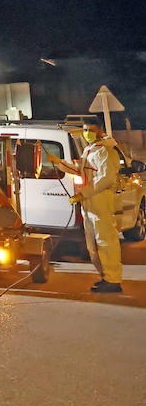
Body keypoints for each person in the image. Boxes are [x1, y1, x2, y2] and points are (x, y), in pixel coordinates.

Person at [47, 121, 123, 293]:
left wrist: (83, 194)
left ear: (100, 131)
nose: (88, 133)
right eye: (86, 130)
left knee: (105, 241)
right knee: (93, 244)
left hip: (101, 201)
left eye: (91, 130)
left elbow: (105, 179)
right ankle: (106, 277)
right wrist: (59, 162)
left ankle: (113, 280)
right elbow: (80, 171)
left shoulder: (106, 151)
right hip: (90, 203)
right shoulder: (91, 150)